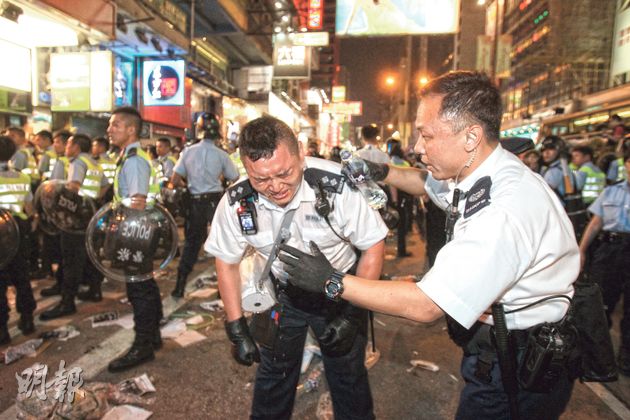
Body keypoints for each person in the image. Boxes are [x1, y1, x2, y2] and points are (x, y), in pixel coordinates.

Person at [279, 71, 579, 419]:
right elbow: (426, 185)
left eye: (427, 135)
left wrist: (331, 281)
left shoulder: (504, 209)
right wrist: (382, 172)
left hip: (519, 361)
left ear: (471, 136)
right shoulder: (480, 170)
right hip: (499, 346)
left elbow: (426, 305)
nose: (418, 148)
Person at [205, 116, 387, 420]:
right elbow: (226, 260)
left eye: (284, 173)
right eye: (261, 179)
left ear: (300, 153)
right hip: (284, 294)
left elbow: (373, 245)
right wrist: (236, 328)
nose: (275, 187)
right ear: (246, 169)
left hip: (339, 292)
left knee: (347, 375)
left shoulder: (337, 187)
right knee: (274, 374)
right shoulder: (237, 201)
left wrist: (353, 314)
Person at [105, 106, 163, 372]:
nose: (109, 129)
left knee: (139, 289)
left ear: (131, 129)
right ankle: (152, 336)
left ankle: (143, 346)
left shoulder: (134, 160)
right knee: (145, 285)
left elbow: (137, 202)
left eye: (115, 125)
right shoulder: (129, 157)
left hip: (135, 233)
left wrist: (124, 235)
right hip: (135, 231)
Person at [169, 112, 239, 298]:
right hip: (216, 202)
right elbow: (235, 177)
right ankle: (223, 291)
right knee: (222, 244)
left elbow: (174, 179)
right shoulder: (222, 154)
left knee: (192, 244)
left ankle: (179, 286)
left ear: (198, 130)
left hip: (195, 202)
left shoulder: (187, 152)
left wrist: (189, 184)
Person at [39, 134, 108, 320]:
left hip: (75, 218)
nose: (66, 148)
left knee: (71, 260)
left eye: (68, 144)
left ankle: (67, 302)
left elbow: (73, 187)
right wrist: (91, 201)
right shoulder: (94, 163)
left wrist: (66, 203)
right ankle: (94, 290)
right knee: (91, 255)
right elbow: (105, 186)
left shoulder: (77, 162)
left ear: (76, 147)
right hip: (90, 214)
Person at [578, 148, 630, 376]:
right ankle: (597, 352)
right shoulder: (611, 191)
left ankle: (626, 356)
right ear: (625, 164)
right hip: (610, 250)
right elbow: (596, 222)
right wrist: (581, 250)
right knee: (599, 301)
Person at [0, 135, 36, 344]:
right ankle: (28, 319)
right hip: (19, 229)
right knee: (22, 276)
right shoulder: (22, 177)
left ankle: (2, 330)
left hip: (1, 230)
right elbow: (29, 208)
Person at [387, 138, 413, 257]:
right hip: (403, 196)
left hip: (391, 197)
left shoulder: (389, 163)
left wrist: (393, 199)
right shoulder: (405, 164)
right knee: (402, 224)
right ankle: (401, 251)